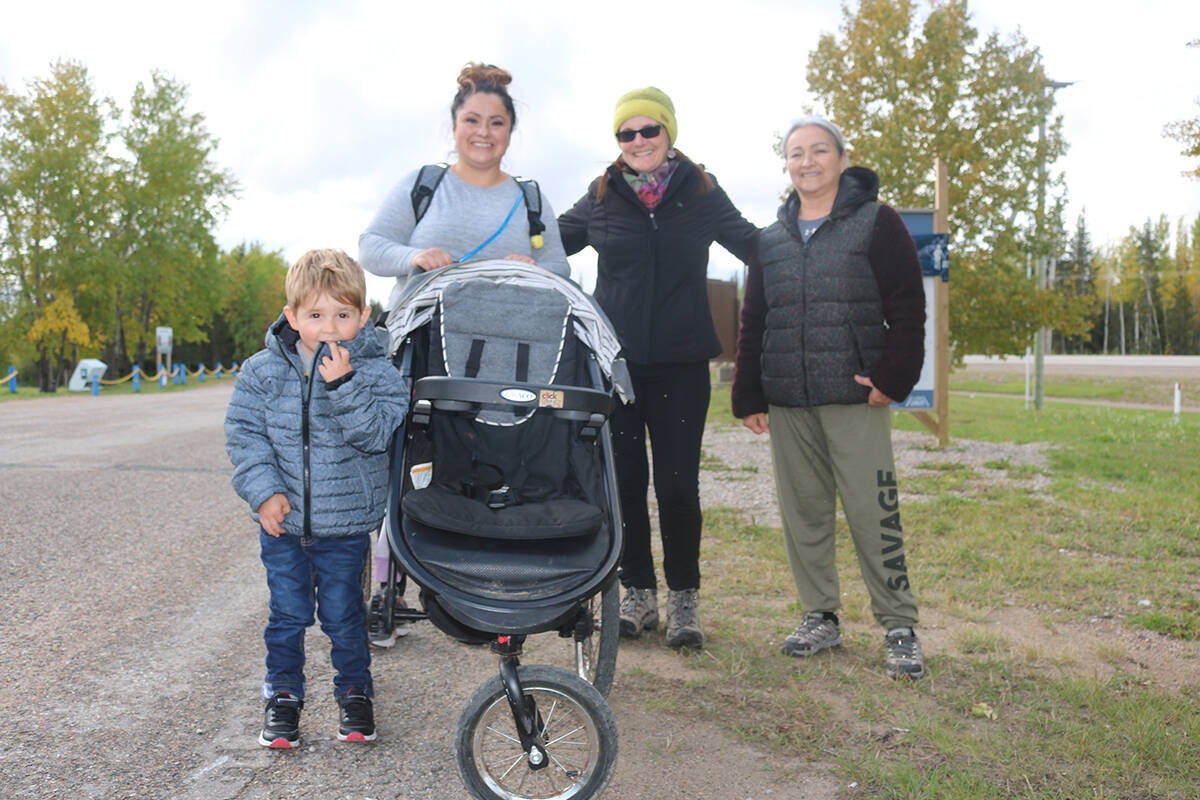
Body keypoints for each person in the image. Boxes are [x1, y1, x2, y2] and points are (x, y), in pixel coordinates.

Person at [558, 87, 757, 649]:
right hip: (616, 367)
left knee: (676, 486)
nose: (639, 141)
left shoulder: (700, 191)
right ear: (617, 141)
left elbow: (755, 246)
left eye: (650, 130)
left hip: (681, 365)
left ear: (669, 132)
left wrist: (811, 246)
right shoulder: (601, 197)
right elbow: (547, 244)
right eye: (627, 133)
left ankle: (684, 602)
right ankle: (638, 594)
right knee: (623, 483)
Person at [731, 116, 927, 680]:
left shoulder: (876, 223)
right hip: (789, 400)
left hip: (855, 398)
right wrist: (749, 392)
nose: (807, 162)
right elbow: (755, 320)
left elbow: (908, 306)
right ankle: (820, 616)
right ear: (787, 165)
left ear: (842, 160)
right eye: (796, 153)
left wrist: (894, 376)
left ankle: (898, 626)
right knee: (805, 515)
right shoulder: (771, 239)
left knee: (875, 513)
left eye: (819, 151)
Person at [225, 249, 410, 747]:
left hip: (345, 526)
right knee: (287, 616)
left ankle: (355, 694)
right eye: (315, 315)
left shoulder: (378, 374)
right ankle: (283, 699)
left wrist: (344, 384)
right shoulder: (262, 372)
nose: (329, 328)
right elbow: (245, 436)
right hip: (283, 527)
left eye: (343, 315)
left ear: (363, 316)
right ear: (291, 317)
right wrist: (264, 493)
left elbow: (375, 436)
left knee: (345, 617)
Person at [359, 61, 571, 309]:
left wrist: (531, 270)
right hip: (421, 343)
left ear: (510, 131)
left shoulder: (531, 198)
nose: (483, 132)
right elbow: (371, 247)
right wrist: (414, 257)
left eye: (496, 123)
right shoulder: (423, 185)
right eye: (472, 120)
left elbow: (559, 267)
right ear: (454, 126)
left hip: (509, 343)